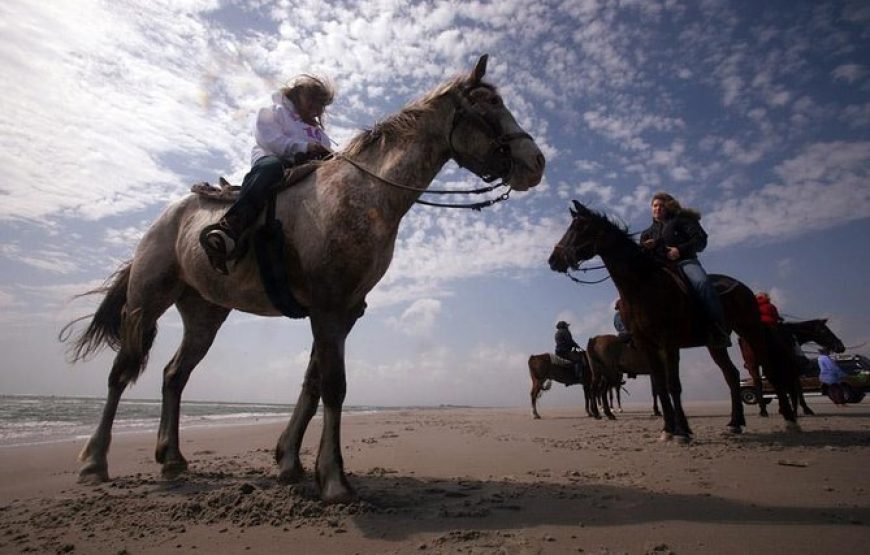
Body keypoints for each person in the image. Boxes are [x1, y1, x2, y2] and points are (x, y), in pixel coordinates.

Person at [200, 74, 335, 274]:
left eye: (320, 105)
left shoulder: (320, 133)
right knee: (270, 168)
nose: (316, 109)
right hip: (275, 159)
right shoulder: (273, 112)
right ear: (297, 95)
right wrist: (304, 147)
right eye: (312, 100)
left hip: (310, 167)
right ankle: (232, 226)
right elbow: (269, 140)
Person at [640, 191, 731, 347]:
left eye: (661, 205)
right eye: (655, 205)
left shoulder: (683, 220)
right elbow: (642, 260)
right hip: (660, 269)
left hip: (685, 262)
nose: (657, 209)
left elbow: (700, 239)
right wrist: (645, 249)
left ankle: (718, 329)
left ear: (668, 207)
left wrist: (679, 250)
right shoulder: (647, 233)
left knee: (702, 283)